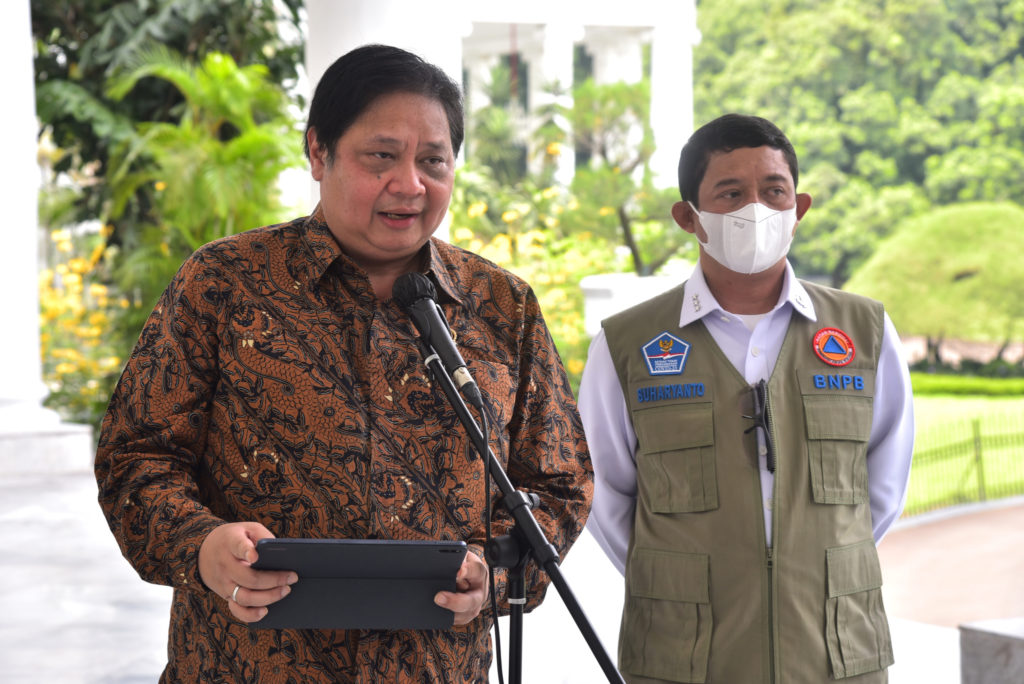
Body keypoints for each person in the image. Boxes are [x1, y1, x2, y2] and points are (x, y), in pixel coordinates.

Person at [95, 44, 592, 683]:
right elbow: (135, 458)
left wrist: (492, 575)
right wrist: (202, 547)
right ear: (318, 152)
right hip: (243, 668)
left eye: (433, 161)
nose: (410, 184)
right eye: (381, 156)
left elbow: (560, 482)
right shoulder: (223, 284)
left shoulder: (500, 305)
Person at [578, 113, 914, 683]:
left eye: (773, 191)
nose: (754, 209)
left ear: (798, 209)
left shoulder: (865, 332)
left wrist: (803, 566)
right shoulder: (628, 345)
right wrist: (685, 579)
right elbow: (603, 492)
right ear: (689, 217)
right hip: (686, 657)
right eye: (730, 194)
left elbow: (882, 488)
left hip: (834, 652)